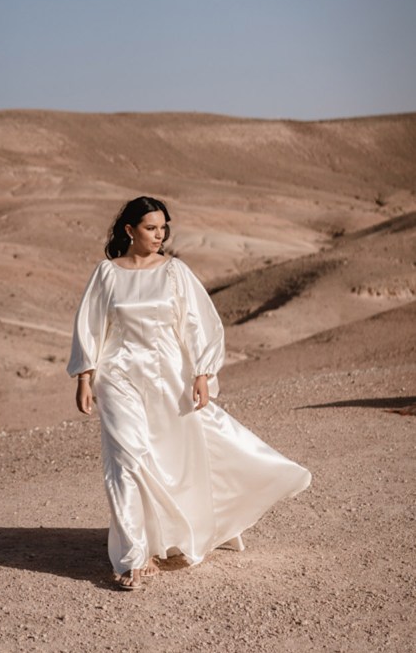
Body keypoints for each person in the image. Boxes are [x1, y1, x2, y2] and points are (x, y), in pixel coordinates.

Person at [67, 195, 311, 590]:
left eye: (163, 228)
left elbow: (198, 323)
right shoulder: (107, 273)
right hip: (118, 376)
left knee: (170, 458)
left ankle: (185, 527)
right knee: (126, 457)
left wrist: (203, 371)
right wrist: (84, 376)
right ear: (129, 230)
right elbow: (90, 326)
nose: (159, 235)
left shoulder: (175, 271)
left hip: (168, 375)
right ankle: (134, 555)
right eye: (151, 228)